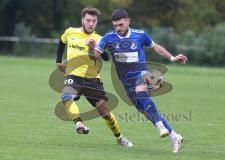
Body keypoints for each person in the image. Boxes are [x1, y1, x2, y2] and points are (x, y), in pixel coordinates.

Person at [95, 9, 188, 153]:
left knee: (141, 91)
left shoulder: (140, 35)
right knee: (144, 109)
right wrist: (91, 48)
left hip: (142, 74)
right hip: (126, 82)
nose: (118, 28)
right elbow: (96, 54)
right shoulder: (109, 38)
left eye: (120, 25)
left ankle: (160, 126)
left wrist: (172, 58)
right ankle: (175, 136)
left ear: (128, 21)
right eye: (115, 26)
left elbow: (155, 47)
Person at [56, 7, 133, 147]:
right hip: (73, 76)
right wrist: (58, 61)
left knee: (105, 114)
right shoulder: (70, 32)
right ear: (82, 20)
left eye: (94, 21)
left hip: (93, 81)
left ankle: (119, 138)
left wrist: (93, 47)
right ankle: (79, 123)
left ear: (97, 22)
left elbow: (106, 58)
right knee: (66, 96)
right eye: (88, 20)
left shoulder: (99, 39)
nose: (91, 23)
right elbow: (61, 41)